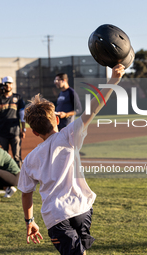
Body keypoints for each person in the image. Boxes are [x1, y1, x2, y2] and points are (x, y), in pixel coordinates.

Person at [18, 64, 125, 254]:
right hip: (82, 210)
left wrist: (30, 221)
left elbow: (26, 193)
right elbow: (92, 109)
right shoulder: (68, 135)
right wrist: (113, 81)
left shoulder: (29, 159)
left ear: (34, 132)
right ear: (57, 120)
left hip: (56, 217)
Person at [0, 76, 26, 168]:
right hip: (2, 132)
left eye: (10, 83)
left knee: (17, 157)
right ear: (2, 85)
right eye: (6, 84)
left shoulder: (18, 97)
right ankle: (5, 177)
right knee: (2, 156)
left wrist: (24, 128)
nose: (8, 86)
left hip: (15, 132)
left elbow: (22, 115)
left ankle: (19, 178)